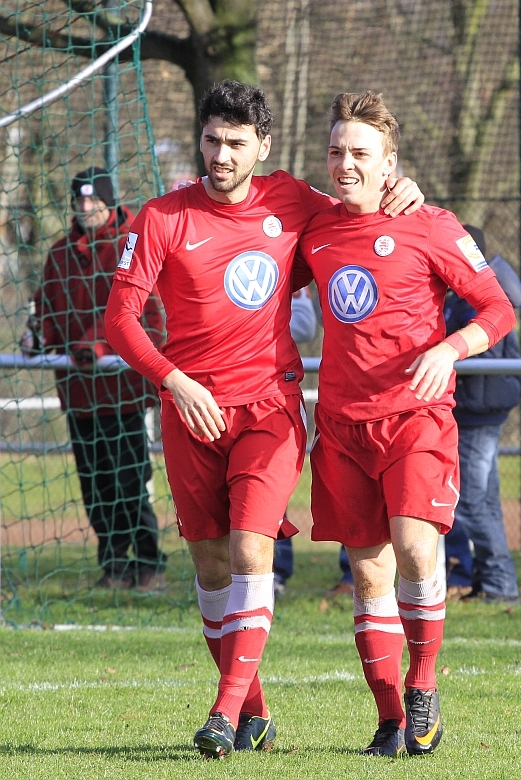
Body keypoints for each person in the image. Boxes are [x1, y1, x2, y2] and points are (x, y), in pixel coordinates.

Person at [104, 80, 424, 758]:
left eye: (236, 143)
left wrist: (405, 188)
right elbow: (120, 320)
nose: (221, 155)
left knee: (252, 550)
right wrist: (174, 380)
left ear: (264, 148)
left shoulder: (293, 202)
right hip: (189, 411)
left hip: (269, 409)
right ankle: (253, 711)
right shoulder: (161, 217)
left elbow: (359, 207)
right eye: (211, 140)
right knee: (211, 567)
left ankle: (222, 714)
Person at [295, 91, 516, 757]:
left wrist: (449, 349)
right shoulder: (315, 228)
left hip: (416, 419)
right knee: (368, 577)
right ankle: (391, 719)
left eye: (361, 153)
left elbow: (498, 308)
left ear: (390, 164)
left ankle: (423, 683)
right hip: (342, 427)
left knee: (417, 551)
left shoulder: (431, 224)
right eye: (337, 151)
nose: (346, 164)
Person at [21, 168, 168, 592]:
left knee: (129, 480)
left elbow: (148, 317)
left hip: (123, 393)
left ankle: (149, 562)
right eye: (79, 201)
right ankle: (114, 565)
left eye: (93, 200)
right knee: (94, 484)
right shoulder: (60, 254)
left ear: (108, 201)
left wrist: (98, 345)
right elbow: (47, 309)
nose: (85, 207)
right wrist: (38, 337)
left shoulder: (131, 244)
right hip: (79, 393)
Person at [444, 224, 521, 603]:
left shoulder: (478, 297)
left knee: (472, 501)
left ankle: (499, 584)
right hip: (478, 408)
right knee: (484, 500)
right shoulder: (466, 294)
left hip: (478, 410)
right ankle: (493, 581)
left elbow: (484, 351)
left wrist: (444, 352)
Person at [273, 288, 318, 595]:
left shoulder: (285, 262)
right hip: (214, 392)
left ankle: (275, 572)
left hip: (270, 397)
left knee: (267, 496)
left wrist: (246, 325)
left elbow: (305, 324)